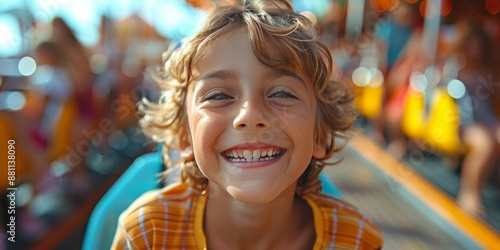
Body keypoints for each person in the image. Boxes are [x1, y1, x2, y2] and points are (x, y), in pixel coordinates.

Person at [111, 1, 383, 249]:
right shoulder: (148, 235)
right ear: (185, 137)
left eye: (281, 94)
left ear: (320, 134)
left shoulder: (357, 240)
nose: (250, 115)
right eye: (218, 96)